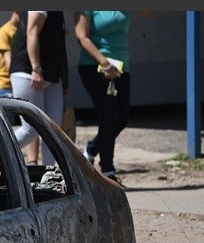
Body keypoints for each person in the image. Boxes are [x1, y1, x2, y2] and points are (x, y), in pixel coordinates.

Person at [74, 10, 133, 185]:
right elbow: (81, 36)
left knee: (121, 119)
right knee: (109, 116)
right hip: (94, 66)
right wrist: (104, 62)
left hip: (121, 66)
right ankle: (108, 172)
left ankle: (90, 151)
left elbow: (148, 11)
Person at [8, 11, 69, 166]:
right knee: (32, 129)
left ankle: (49, 174)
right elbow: (32, 31)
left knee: (54, 131)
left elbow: (59, 45)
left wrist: (64, 80)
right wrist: (36, 68)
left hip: (52, 75)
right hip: (28, 72)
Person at [0, 11, 37, 167]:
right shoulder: (4, 32)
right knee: (1, 127)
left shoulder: (29, 28)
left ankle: (32, 161)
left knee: (32, 124)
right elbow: (10, 63)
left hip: (25, 83)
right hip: (6, 86)